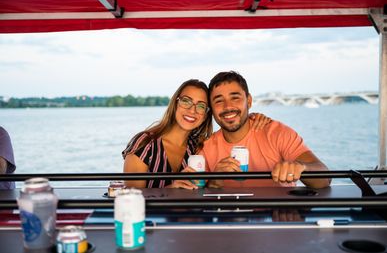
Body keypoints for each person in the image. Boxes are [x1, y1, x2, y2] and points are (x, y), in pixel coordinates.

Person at [122, 79, 271, 189]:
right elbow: (130, 199)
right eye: (186, 101)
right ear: (175, 103)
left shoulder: (198, 147)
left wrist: (252, 117)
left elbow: (203, 191)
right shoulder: (145, 143)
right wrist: (170, 190)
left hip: (186, 225)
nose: (192, 110)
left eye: (201, 106)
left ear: (206, 114)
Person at [201, 71, 331, 189]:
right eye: (218, 101)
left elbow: (325, 180)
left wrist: (301, 168)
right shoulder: (205, 148)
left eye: (235, 98)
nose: (228, 106)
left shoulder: (277, 133)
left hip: (280, 214)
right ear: (212, 109)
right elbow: (195, 195)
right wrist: (214, 181)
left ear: (249, 101)